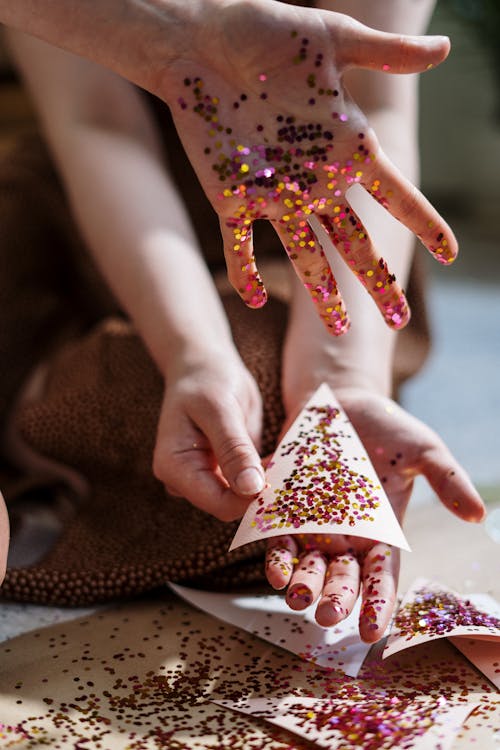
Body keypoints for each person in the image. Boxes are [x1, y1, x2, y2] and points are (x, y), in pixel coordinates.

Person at [0, 0, 485, 641]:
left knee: (278, 435)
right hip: (97, 215)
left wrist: (341, 383)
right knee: (200, 432)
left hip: (307, 224)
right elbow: (97, 128)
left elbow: (378, 113)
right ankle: (34, 412)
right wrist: (191, 353)